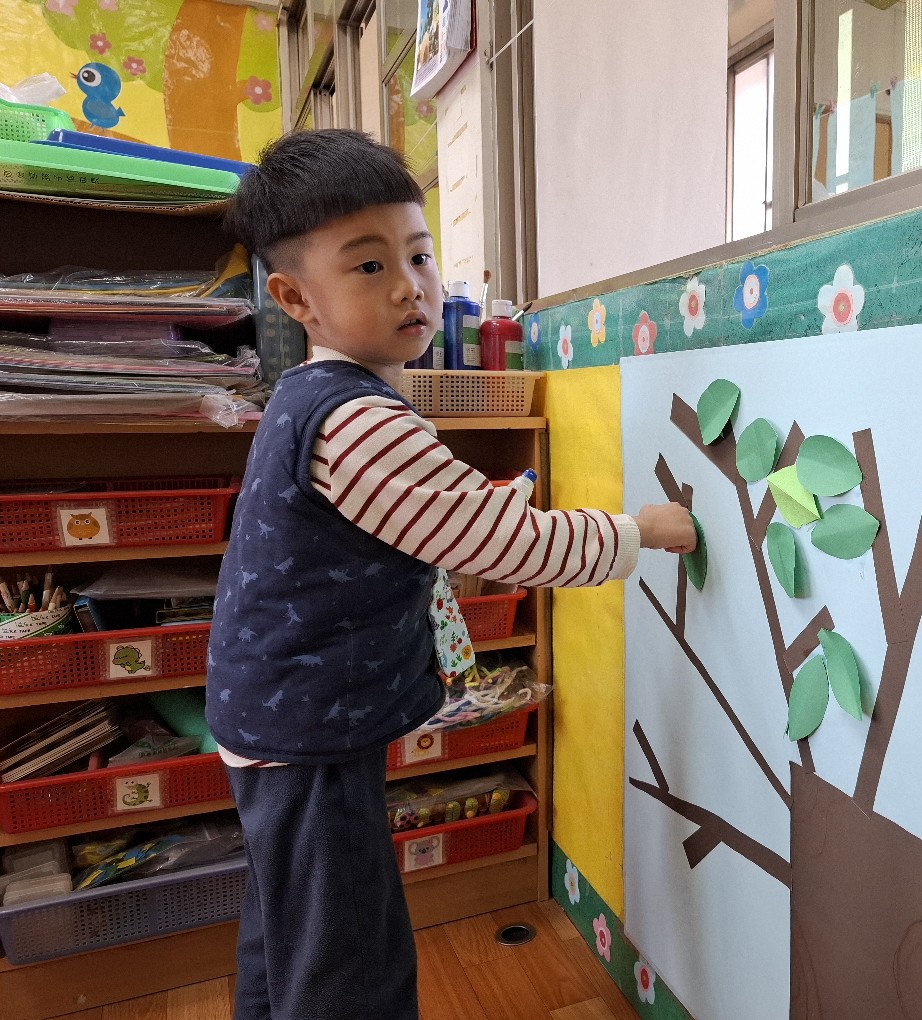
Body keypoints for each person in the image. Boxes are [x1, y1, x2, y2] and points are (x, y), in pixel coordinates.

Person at [206, 128, 695, 1020]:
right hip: (309, 732)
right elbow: (507, 543)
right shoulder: (358, 419)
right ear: (294, 297)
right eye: (368, 266)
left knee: (291, 934)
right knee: (350, 964)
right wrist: (640, 531)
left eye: (420, 255)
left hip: (279, 718)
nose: (409, 285)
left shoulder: (310, 396)